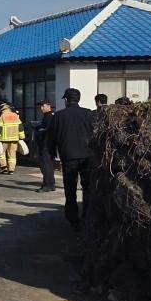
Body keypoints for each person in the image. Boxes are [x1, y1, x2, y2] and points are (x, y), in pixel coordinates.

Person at [47, 87, 96, 231]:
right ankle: (87, 216)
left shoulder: (59, 116)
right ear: (78, 99)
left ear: (66, 100)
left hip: (68, 157)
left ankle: (73, 220)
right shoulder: (89, 114)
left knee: (70, 190)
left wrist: (51, 154)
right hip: (87, 156)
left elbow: (51, 138)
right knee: (88, 188)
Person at [0, 102, 25, 174]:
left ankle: (4, 167)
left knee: (1, 153)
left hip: (4, 139)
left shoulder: (1, 116)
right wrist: (22, 136)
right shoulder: (16, 116)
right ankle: (11, 170)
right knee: (12, 154)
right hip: (14, 139)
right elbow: (20, 127)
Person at [33, 100, 56, 192]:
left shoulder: (50, 116)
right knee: (47, 165)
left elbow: (48, 130)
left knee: (46, 165)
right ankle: (49, 183)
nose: (41, 108)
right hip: (46, 144)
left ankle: (48, 184)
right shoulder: (47, 116)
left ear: (48, 105)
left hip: (46, 145)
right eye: (40, 106)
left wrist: (39, 130)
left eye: (43, 106)